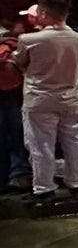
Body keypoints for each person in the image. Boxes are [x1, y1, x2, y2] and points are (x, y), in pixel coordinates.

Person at [10, 0, 78, 202]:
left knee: (41, 145)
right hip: (73, 99)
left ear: (44, 15)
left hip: (40, 99)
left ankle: (44, 188)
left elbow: (19, 62)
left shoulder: (29, 39)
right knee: (75, 141)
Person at [0, 19, 31, 192]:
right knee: (17, 133)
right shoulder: (15, 44)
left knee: (7, 134)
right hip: (14, 93)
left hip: (9, 93)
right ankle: (19, 173)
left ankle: (6, 176)